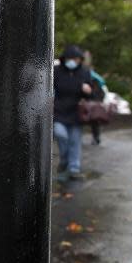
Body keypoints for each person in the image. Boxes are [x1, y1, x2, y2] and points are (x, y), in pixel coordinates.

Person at [53, 45, 95, 181]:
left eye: (76, 59)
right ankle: (64, 160)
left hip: (76, 113)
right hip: (58, 111)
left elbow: (91, 96)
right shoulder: (56, 71)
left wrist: (88, 90)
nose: (73, 61)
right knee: (61, 135)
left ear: (80, 60)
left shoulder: (84, 73)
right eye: (70, 58)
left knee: (75, 142)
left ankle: (74, 168)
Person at [87, 69, 108, 145]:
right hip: (96, 107)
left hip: (93, 107)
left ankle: (96, 137)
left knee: (95, 124)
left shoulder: (93, 87)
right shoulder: (98, 87)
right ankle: (96, 137)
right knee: (95, 124)